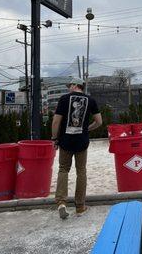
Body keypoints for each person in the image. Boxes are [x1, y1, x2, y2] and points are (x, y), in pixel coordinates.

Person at [52, 77, 102, 220]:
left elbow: (56, 121)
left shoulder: (64, 99)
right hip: (82, 142)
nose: (69, 88)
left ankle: (61, 202)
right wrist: (87, 129)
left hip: (65, 141)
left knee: (63, 169)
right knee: (81, 171)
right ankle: (80, 206)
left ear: (75, 85)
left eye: (70, 85)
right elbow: (99, 122)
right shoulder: (90, 100)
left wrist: (54, 138)